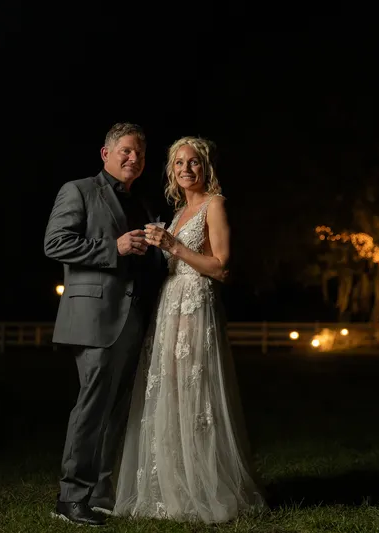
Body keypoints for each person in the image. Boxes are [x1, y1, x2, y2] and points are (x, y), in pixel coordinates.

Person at [113, 136, 267, 524]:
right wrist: (155, 248)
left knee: (195, 396)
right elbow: (172, 257)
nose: (186, 169)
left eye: (193, 162)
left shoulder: (215, 205)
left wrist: (174, 246)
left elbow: (222, 267)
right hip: (168, 309)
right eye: (179, 163)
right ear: (171, 171)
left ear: (206, 167)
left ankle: (205, 488)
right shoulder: (179, 211)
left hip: (196, 308)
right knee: (168, 394)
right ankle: (172, 488)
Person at [44, 123, 168, 527]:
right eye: (127, 151)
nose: (135, 159)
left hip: (133, 318)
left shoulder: (143, 202)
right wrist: (111, 248)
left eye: (141, 154)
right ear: (106, 153)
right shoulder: (77, 190)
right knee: (92, 406)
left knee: (118, 410)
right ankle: (69, 497)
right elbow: (55, 242)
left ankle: (100, 493)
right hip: (94, 317)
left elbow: (142, 261)